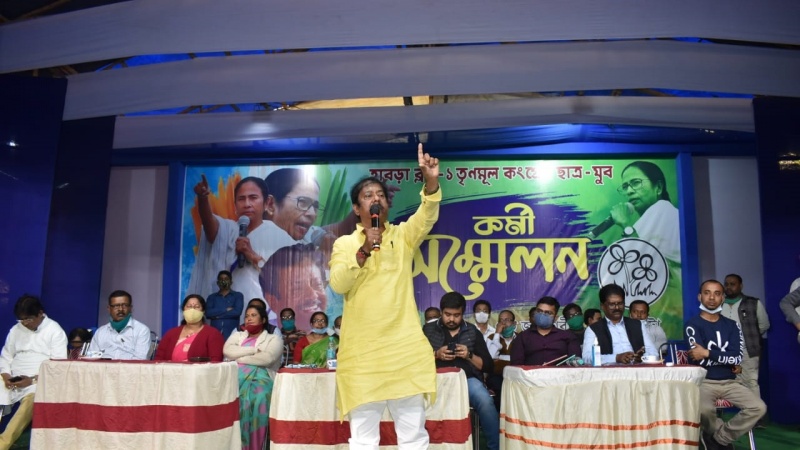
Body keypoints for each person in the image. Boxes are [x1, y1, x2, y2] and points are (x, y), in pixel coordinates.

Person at [329, 144, 440, 449]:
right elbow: (338, 284)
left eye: (380, 194)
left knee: (413, 437)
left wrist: (431, 182)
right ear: (357, 208)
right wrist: (364, 250)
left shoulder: (403, 236)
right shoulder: (344, 244)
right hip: (362, 356)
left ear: (387, 204)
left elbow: (427, 216)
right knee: (364, 440)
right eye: (368, 195)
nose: (376, 198)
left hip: (404, 351)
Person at [686, 280, 766, 450]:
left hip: (730, 382)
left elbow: (736, 358)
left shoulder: (732, 325)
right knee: (704, 410)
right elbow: (699, 359)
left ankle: (720, 438)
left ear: (722, 298)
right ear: (699, 297)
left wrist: (708, 353)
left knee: (758, 408)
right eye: (707, 293)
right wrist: (721, 358)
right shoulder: (692, 325)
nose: (712, 297)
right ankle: (713, 433)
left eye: (717, 293)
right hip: (704, 382)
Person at [423, 292, 499, 450]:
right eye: (447, 314)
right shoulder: (429, 330)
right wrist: (436, 354)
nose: (451, 319)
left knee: (485, 401)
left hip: (466, 380)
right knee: (415, 403)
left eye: (456, 315)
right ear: (441, 311)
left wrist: (469, 355)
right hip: (435, 380)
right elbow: (415, 359)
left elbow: (488, 366)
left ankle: (495, 447)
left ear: (463, 313)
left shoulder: (472, 331)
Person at [1, 295, 67, 449]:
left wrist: (32, 380)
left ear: (40, 314)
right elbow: (6, 356)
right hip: (12, 377)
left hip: (37, 380)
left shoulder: (54, 330)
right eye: (21, 319)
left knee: (34, 397)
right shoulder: (16, 330)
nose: (25, 323)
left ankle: (3, 443)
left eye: (28, 319)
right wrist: (6, 376)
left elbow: (57, 367)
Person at [224, 305, 283, 450]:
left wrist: (239, 358)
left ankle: (257, 445)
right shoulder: (238, 336)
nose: (249, 318)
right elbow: (228, 351)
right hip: (236, 377)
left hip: (263, 378)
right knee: (231, 397)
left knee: (260, 397)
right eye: (247, 316)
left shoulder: (273, 338)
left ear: (263, 319)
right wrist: (253, 350)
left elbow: (267, 358)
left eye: (253, 315)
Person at [720, 273, 769, 427]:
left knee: (750, 382)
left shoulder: (753, 303)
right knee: (722, 381)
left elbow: (764, 325)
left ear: (740, 286)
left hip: (748, 350)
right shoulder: (718, 304)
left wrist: (749, 337)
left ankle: (756, 417)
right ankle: (719, 414)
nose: (729, 287)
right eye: (726, 284)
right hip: (724, 351)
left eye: (732, 284)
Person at [610, 161, 680, 263]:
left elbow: (646, 264)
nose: (629, 191)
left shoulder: (663, 209)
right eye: (625, 187)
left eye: (636, 183)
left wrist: (625, 224)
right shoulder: (650, 217)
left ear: (658, 187)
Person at [582, 284, 658, 364]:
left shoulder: (637, 325)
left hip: (637, 369)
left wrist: (642, 358)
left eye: (620, 303)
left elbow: (654, 353)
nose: (617, 308)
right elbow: (587, 357)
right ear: (602, 306)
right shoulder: (593, 329)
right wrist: (616, 358)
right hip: (609, 371)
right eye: (612, 304)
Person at [260, 244, 328, 331]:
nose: (313, 295)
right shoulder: (264, 337)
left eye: (317, 285)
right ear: (273, 302)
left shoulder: (337, 337)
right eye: (298, 288)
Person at [511, 297, 581, 366]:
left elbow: (575, 362)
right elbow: (516, 366)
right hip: (531, 373)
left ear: (555, 318)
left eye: (548, 313)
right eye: (539, 311)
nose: (542, 315)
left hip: (559, 373)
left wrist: (574, 362)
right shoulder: (522, 337)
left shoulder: (568, 337)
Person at [155, 295, 225, 362]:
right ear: (183, 310)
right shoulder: (171, 333)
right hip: (171, 370)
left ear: (203, 311)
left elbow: (216, 361)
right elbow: (158, 359)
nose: (192, 310)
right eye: (188, 306)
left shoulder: (213, 334)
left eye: (197, 307)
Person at [88, 290, 151, 360]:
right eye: (116, 306)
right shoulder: (100, 332)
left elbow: (140, 359)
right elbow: (92, 358)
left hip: (129, 367)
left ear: (131, 308)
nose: (120, 309)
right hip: (103, 366)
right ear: (109, 309)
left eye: (125, 305)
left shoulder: (141, 330)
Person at [485, 309, 518, 411]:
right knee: (499, 388)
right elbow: (490, 357)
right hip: (496, 376)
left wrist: (500, 359)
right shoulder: (491, 337)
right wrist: (497, 334)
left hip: (515, 375)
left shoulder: (520, 338)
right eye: (501, 320)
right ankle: (500, 418)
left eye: (507, 320)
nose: (503, 323)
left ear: (514, 323)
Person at [205, 270, 244, 339]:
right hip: (214, 334)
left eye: (226, 279)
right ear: (217, 282)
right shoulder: (211, 297)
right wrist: (225, 309)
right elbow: (208, 313)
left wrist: (216, 316)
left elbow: (237, 312)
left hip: (232, 334)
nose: (223, 281)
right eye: (221, 279)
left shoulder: (238, 295)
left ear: (231, 282)